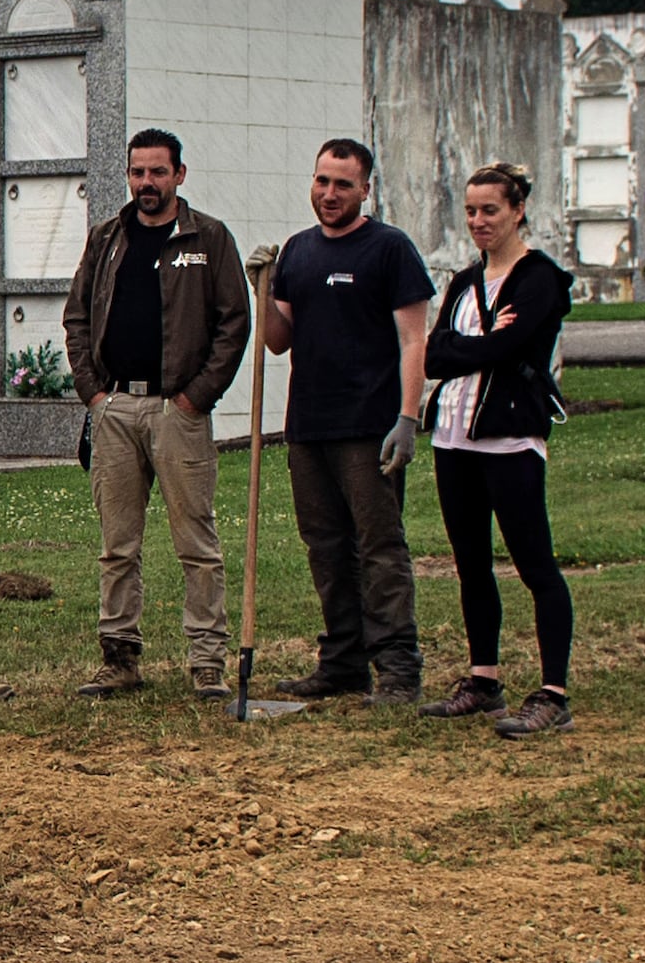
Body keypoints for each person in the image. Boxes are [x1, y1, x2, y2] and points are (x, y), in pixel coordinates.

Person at [56, 126, 247, 695]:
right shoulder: (107, 237)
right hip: (115, 408)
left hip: (177, 411)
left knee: (197, 543)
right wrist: (94, 393)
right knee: (118, 545)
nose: (147, 182)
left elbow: (233, 324)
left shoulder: (208, 238)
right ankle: (119, 658)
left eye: (158, 172)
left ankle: (207, 660)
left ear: (179, 175)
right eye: (138, 171)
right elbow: (77, 318)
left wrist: (195, 399)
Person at [255, 136, 434, 710]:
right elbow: (278, 343)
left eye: (342, 185)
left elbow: (414, 340)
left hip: (369, 426)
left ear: (365, 189)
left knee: (379, 548)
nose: (329, 194)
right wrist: (260, 286)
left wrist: (408, 417)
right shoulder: (300, 253)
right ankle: (342, 664)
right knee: (326, 547)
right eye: (321, 181)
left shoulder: (389, 249)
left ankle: (399, 671)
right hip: (308, 427)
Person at [421, 160, 576, 735]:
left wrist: (482, 344)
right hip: (453, 436)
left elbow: (516, 346)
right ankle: (483, 679)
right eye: (470, 211)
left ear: (517, 212)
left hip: (510, 437)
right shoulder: (464, 282)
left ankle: (553, 693)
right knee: (470, 564)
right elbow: (435, 356)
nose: (479, 221)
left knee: (535, 563)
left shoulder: (541, 278)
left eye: (490, 210)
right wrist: (482, 343)